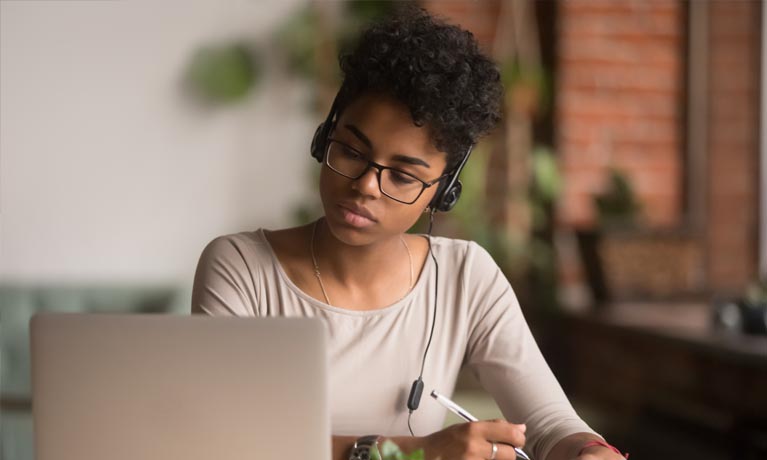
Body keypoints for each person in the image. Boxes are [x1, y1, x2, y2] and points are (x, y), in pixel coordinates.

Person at [192, 7, 627, 460]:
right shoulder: (241, 268)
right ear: (325, 138)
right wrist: (411, 451)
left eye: (402, 176)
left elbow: (552, 425)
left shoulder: (466, 277)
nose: (364, 185)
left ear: (442, 192)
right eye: (351, 151)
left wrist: (587, 450)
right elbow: (225, 438)